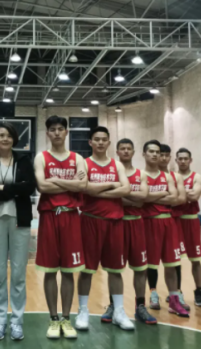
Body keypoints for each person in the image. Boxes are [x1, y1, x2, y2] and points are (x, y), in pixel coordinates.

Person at [0, 122, 36, 342]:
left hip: (19, 220)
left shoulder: (24, 160)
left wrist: (3, 188)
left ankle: (17, 322)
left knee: (19, 274)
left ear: (14, 139)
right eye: (1, 135)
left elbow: (29, 187)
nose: (5, 139)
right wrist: (14, 190)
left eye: (9, 135)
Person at [34, 116, 87, 340]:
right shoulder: (41, 157)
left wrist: (55, 180)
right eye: (53, 129)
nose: (56, 132)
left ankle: (66, 318)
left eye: (60, 129)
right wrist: (70, 183)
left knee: (68, 271)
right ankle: (53, 319)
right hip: (49, 216)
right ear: (48, 133)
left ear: (66, 132)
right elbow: (42, 186)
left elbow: (82, 185)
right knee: (50, 270)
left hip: (70, 216)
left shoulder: (77, 158)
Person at [76, 127, 133, 332]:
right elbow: (85, 188)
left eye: (104, 139)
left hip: (115, 223)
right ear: (90, 142)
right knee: (86, 270)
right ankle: (83, 310)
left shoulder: (117, 164)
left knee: (116, 270)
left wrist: (98, 191)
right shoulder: (84, 163)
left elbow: (126, 189)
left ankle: (119, 311)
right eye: (97, 139)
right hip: (90, 221)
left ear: (109, 143)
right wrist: (112, 184)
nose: (100, 142)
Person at [142, 140, 189, 318]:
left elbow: (176, 198)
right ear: (144, 154)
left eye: (160, 153)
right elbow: (142, 197)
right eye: (153, 152)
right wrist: (163, 194)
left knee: (172, 263)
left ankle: (175, 299)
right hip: (148, 223)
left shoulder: (169, 177)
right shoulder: (140, 175)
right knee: (149, 264)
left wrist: (151, 197)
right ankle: (151, 294)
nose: (157, 156)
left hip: (169, 222)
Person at [114, 139, 157, 325]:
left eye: (128, 149)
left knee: (140, 268)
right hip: (117, 223)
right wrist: (133, 198)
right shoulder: (112, 172)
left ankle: (140, 306)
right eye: (122, 148)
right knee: (114, 269)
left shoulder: (141, 174)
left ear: (133, 152)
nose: (125, 151)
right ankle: (114, 306)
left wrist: (120, 194)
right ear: (117, 151)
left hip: (137, 224)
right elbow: (115, 199)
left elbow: (143, 198)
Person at [175, 148, 201, 307]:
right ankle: (176, 292)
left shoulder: (197, 177)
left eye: (185, 158)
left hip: (192, 221)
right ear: (176, 160)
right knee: (174, 260)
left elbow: (194, 196)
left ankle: (199, 291)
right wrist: (186, 193)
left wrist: (178, 193)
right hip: (176, 221)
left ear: (190, 160)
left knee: (195, 259)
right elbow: (187, 194)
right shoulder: (172, 176)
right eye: (180, 158)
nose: (183, 161)